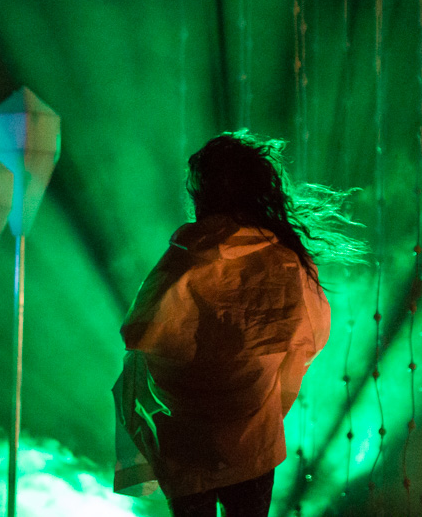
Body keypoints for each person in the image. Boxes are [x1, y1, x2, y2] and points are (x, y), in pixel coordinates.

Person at [113, 131, 366, 517]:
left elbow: (140, 333)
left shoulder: (186, 257)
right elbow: (307, 341)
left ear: (204, 194)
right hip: (254, 442)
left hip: (185, 444)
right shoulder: (285, 261)